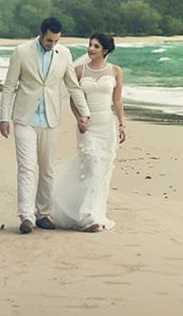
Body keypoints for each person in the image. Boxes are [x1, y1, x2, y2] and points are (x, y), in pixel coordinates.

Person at [0, 17, 89, 234]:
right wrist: (4, 117)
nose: (52, 44)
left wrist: (85, 113)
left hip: (51, 119)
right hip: (25, 119)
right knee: (27, 167)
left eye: (56, 41)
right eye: (49, 40)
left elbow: (73, 86)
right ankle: (26, 216)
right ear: (41, 34)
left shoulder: (64, 54)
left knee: (47, 169)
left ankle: (43, 214)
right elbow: (9, 86)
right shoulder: (22, 52)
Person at [49, 32, 128, 232]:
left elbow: (117, 100)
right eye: (90, 44)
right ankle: (87, 217)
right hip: (88, 126)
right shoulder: (79, 71)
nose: (91, 49)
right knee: (91, 167)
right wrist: (80, 119)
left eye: (96, 46)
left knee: (103, 171)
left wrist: (121, 124)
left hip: (107, 126)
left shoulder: (115, 71)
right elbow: (74, 99)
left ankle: (96, 214)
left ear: (105, 50)